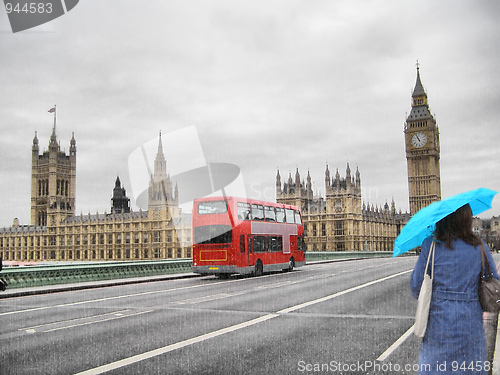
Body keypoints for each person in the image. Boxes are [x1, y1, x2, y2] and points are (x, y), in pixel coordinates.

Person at [410, 204, 499, 374]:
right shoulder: (479, 246)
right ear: (467, 220)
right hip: (470, 322)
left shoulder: (431, 246)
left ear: (442, 220)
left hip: (438, 324)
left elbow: (416, 287)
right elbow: (493, 281)